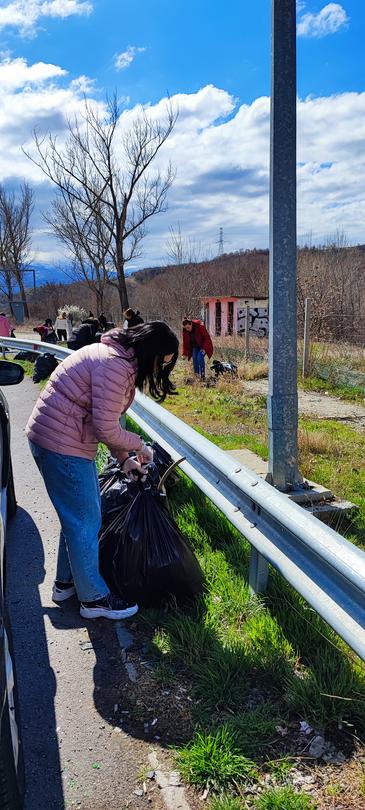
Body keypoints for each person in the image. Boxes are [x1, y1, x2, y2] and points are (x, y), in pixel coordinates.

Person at [26, 321, 178, 621]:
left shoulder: (115, 357)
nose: (161, 369)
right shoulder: (115, 367)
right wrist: (140, 448)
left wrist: (124, 459)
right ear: (151, 353)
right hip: (62, 443)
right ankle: (94, 600)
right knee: (85, 521)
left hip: (57, 438)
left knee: (77, 517)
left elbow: (104, 421)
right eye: (163, 361)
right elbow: (107, 428)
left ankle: (66, 584)